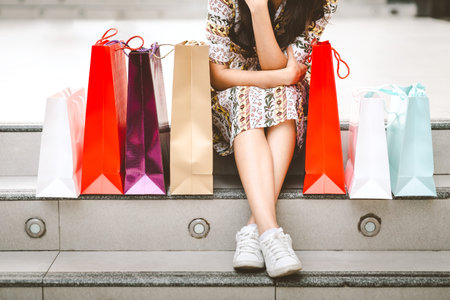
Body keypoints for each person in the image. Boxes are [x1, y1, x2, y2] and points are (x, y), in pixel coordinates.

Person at [206, 0, 338, 278]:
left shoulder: (321, 2)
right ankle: (272, 235)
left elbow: (274, 66)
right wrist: (284, 75)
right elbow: (218, 77)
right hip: (233, 96)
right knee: (247, 97)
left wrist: (257, 8)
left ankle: (255, 231)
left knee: (286, 95)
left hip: (287, 100)